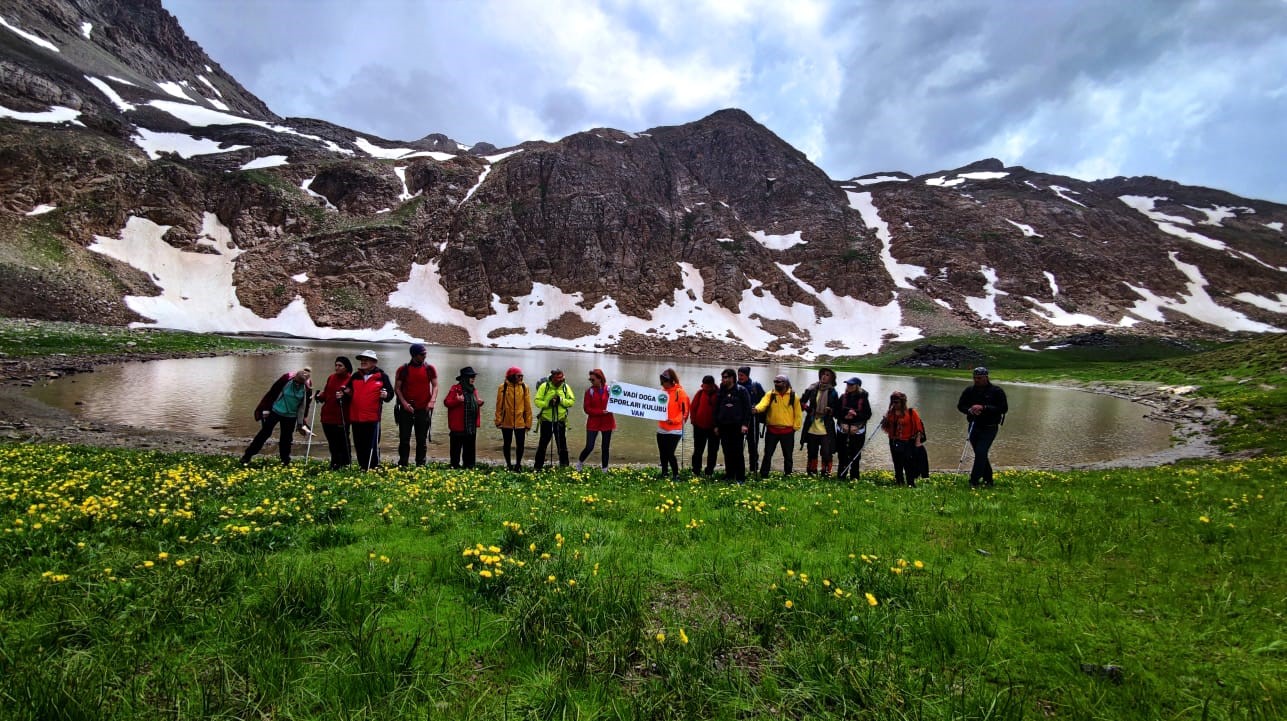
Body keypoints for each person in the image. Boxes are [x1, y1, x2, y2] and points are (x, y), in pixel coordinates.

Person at [241, 367, 313, 465]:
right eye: (296, 382)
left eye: (300, 383)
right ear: (294, 378)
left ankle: (285, 460)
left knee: (286, 438)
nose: (297, 384)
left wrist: (302, 422)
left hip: (291, 416)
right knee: (264, 434)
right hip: (276, 411)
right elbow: (272, 392)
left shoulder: (307, 388)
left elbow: (306, 405)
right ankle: (247, 456)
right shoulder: (286, 379)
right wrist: (265, 409)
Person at [957, 366, 1009, 487]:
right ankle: (988, 480)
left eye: (979, 378)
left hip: (990, 427)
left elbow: (1003, 408)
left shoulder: (997, 391)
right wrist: (969, 410)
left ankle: (974, 481)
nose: (976, 380)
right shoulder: (969, 391)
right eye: (974, 378)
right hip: (973, 426)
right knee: (981, 454)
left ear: (986, 377)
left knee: (981, 452)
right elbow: (960, 406)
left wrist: (984, 408)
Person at [342, 350, 392, 471]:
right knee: (359, 444)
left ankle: (373, 467)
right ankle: (362, 467)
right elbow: (348, 391)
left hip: (372, 417)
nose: (363, 361)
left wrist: (385, 395)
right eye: (362, 359)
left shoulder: (382, 376)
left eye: (366, 359)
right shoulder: (355, 376)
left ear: (374, 362)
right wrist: (345, 393)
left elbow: (390, 395)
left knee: (372, 445)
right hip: (356, 417)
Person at [394, 343, 438, 467]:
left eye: (425, 353)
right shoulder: (403, 369)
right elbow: (397, 389)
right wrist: (404, 403)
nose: (425, 356)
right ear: (414, 355)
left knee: (421, 440)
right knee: (404, 439)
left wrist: (432, 401)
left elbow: (435, 385)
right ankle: (403, 463)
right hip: (406, 410)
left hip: (423, 409)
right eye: (422, 354)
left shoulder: (430, 368)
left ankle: (421, 464)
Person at [754, 374, 803, 477]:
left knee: (788, 456)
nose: (776, 383)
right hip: (772, 430)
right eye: (775, 381)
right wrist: (757, 409)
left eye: (778, 382)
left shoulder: (794, 396)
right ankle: (764, 474)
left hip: (788, 431)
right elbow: (763, 404)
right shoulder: (770, 394)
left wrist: (795, 428)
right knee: (767, 454)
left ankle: (788, 474)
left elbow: (798, 414)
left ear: (785, 383)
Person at [880, 391, 926, 487]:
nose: (894, 404)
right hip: (893, 441)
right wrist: (885, 418)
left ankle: (910, 483)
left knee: (908, 464)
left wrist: (917, 443)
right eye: (892, 402)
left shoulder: (911, 412)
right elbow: (885, 427)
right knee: (897, 463)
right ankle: (899, 482)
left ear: (902, 402)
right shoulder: (890, 413)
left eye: (896, 402)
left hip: (907, 442)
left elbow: (919, 428)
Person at [800, 367, 840, 476]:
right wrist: (808, 409)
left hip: (826, 427)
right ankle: (811, 471)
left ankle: (826, 473)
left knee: (826, 452)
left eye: (827, 375)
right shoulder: (812, 389)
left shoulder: (833, 392)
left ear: (831, 378)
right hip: (812, 425)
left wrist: (831, 410)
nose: (824, 376)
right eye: (823, 374)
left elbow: (837, 411)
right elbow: (801, 403)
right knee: (812, 451)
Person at [713, 368, 752, 482]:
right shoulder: (721, 391)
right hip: (724, 426)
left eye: (726, 377)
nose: (723, 379)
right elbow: (716, 409)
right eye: (723, 377)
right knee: (726, 451)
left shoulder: (741, 390)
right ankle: (729, 474)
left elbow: (747, 409)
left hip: (737, 426)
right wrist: (716, 425)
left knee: (738, 452)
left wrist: (745, 424)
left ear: (732, 378)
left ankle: (740, 477)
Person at [533, 369, 575, 470]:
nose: (561, 380)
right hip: (546, 420)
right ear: (552, 378)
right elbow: (537, 401)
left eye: (562, 378)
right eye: (558, 379)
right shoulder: (544, 387)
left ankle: (564, 467)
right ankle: (538, 467)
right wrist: (548, 403)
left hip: (560, 420)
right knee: (542, 445)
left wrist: (561, 400)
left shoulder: (565, 387)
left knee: (562, 445)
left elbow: (571, 401)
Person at [444, 366, 484, 468]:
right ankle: (454, 466)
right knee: (455, 450)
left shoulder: (474, 390)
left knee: (470, 449)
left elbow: (475, 403)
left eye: (474, 376)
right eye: (471, 376)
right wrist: (457, 400)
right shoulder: (455, 388)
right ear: (464, 378)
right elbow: (447, 402)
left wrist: (479, 403)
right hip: (458, 426)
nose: (473, 378)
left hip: (470, 426)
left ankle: (469, 466)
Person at [317, 357, 353, 469]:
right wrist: (319, 396)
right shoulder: (331, 377)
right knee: (332, 443)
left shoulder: (351, 379)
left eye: (340, 365)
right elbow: (326, 393)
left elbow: (354, 397)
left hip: (341, 416)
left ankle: (346, 463)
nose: (337, 367)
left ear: (346, 367)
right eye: (336, 365)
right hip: (327, 415)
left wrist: (346, 395)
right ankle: (334, 463)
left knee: (343, 442)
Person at [577, 368, 616, 471]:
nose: (591, 381)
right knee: (589, 446)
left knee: (605, 447)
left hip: (607, 422)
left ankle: (605, 469)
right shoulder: (589, 392)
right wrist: (600, 412)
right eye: (590, 380)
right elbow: (586, 409)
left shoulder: (609, 390)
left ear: (600, 379)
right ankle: (579, 463)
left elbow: (617, 402)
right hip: (593, 423)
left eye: (593, 380)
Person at [494, 366, 532, 470]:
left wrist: (528, 423)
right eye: (518, 376)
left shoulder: (524, 387)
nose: (521, 378)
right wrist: (498, 420)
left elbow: (528, 406)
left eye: (521, 376)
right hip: (507, 421)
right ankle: (508, 464)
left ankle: (518, 464)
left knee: (521, 444)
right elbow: (499, 406)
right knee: (507, 443)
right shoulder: (503, 387)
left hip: (520, 421)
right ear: (512, 376)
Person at [835, 377, 873, 479]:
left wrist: (856, 415)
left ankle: (854, 476)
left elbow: (867, 415)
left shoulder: (863, 399)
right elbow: (836, 413)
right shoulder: (843, 397)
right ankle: (841, 476)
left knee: (855, 454)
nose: (848, 386)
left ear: (857, 386)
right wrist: (844, 419)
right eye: (847, 384)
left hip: (857, 431)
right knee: (842, 453)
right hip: (843, 429)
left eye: (851, 385)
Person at [657, 368, 690, 479]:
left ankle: (676, 475)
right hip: (662, 428)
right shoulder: (662, 392)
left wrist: (674, 420)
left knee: (670, 453)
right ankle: (664, 472)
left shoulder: (680, 393)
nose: (662, 384)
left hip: (675, 429)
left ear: (671, 381)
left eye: (664, 382)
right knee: (662, 453)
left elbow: (684, 412)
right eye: (661, 382)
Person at [737, 367, 767, 475]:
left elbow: (765, 400)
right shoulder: (736, 386)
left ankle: (753, 469)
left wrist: (757, 408)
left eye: (742, 375)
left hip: (753, 419)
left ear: (747, 375)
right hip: (739, 421)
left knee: (753, 446)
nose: (739, 377)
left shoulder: (755, 386)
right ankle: (738, 468)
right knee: (737, 446)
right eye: (738, 375)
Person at [689, 374, 720, 475]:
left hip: (714, 429)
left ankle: (709, 471)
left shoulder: (719, 394)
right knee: (698, 450)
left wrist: (718, 426)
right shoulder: (700, 393)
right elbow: (693, 408)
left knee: (712, 451)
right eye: (704, 386)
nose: (705, 388)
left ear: (712, 385)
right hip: (699, 427)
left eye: (707, 387)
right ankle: (696, 470)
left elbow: (721, 410)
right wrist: (693, 421)